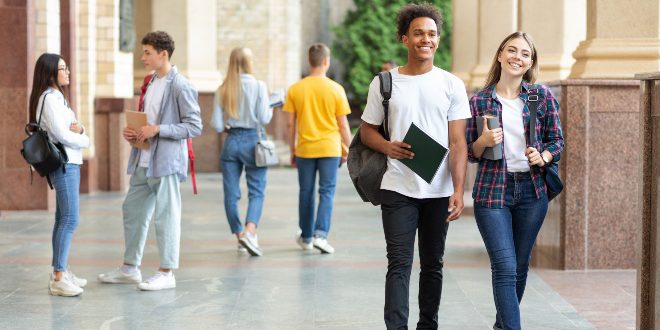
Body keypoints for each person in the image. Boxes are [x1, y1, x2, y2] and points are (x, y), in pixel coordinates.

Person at [359, 3, 471, 329]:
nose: (426, 39)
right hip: (397, 186)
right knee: (399, 264)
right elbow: (367, 130)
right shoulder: (384, 83)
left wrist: (459, 190)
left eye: (432, 33)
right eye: (419, 33)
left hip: (439, 189)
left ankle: (428, 325)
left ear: (439, 40)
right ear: (404, 39)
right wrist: (387, 146)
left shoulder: (452, 84)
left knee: (433, 264)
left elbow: (458, 143)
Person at [465, 32, 564, 330]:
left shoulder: (539, 96)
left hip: (532, 193)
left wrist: (544, 157)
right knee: (505, 267)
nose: (517, 57)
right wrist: (482, 141)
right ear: (499, 55)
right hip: (492, 193)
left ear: (530, 62)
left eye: (524, 54)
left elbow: (557, 141)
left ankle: (502, 325)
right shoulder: (479, 101)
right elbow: (470, 152)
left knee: (519, 268)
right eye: (511, 50)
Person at [97, 31, 202, 291]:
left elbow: (194, 126)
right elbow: (148, 120)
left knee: (166, 217)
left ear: (163, 54)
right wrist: (135, 132)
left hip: (166, 163)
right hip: (143, 160)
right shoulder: (151, 82)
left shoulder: (181, 85)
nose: (142, 57)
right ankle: (130, 268)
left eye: (147, 52)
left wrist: (158, 130)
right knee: (132, 210)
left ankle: (167, 272)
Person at [29, 53, 90, 296]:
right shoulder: (50, 99)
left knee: (61, 219)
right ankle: (58, 277)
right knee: (70, 219)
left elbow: (74, 126)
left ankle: (60, 270)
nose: (68, 72)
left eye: (67, 67)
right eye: (63, 68)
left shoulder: (58, 97)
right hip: (64, 164)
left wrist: (81, 129)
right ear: (51, 72)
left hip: (70, 162)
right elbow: (63, 135)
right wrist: (84, 138)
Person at [283, 43, 352, 254]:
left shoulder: (296, 89)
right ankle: (321, 236)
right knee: (327, 192)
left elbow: (290, 124)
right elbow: (342, 125)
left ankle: (305, 236)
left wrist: (292, 150)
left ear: (309, 61)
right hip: (330, 149)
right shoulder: (336, 89)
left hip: (304, 149)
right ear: (326, 61)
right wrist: (349, 148)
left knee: (306, 192)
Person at [211, 47, 273, 256]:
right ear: (249, 62)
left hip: (231, 141)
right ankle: (250, 231)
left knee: (231, 194)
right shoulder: (259, 86)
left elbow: (218, 125)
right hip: (254, 141)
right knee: (256, 191)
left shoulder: (223, 89)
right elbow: (264, 118)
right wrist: (272, 105)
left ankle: (239, 235)